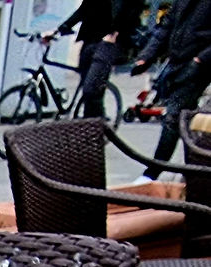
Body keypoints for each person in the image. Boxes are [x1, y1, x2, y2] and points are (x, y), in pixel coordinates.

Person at [131, 0, 211, 179]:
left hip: (200, 66)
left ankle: (152, 173)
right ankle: (194, 174)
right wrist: (146, 57)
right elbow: (165, 28)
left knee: (173, 117)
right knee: (185, 120)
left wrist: (200, 60)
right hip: (180, 62)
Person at [50, 0, 142, 118]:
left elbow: (132, 12)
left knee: (91, 87)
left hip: (109, 42)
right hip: (89, 39)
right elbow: (84, 9)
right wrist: (61, 28)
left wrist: (116, 33)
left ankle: (95, 124)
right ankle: (93, 121)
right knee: (89, 87)